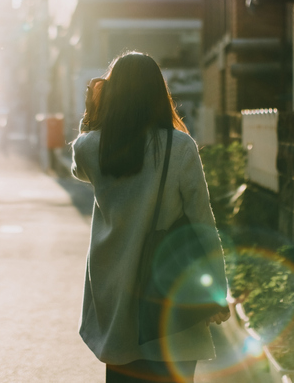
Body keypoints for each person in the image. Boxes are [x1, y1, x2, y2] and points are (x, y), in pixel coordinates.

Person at [71, 53, 230, 383]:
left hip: (115, 301)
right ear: (160, 93)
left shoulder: (90, 148)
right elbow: (203, 222)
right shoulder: (180, 147)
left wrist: (93, 111)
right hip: (169, 301)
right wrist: (217, 291)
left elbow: (78, 169)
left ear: (111, 94)